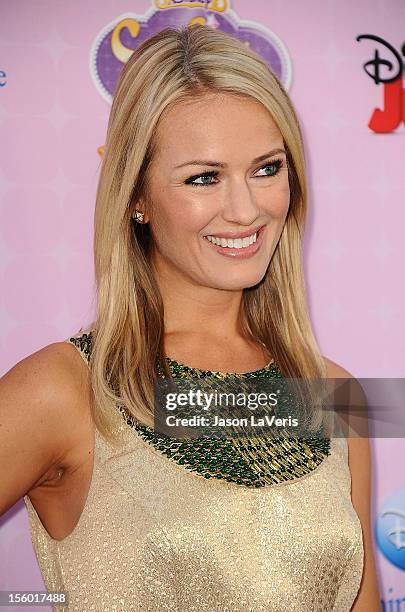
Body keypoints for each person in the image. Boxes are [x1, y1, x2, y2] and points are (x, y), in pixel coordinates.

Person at [0, 24, 380, 611]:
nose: (246, 209)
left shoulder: (335, 397)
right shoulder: (64, 388)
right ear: (137, 198)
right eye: (204, 178)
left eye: (266, 168)